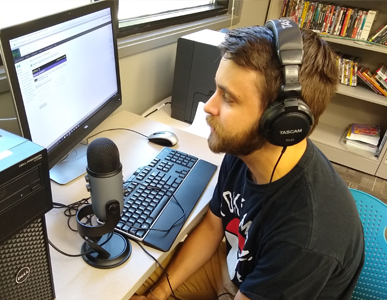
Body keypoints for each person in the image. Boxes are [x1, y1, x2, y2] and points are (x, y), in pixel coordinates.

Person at [131, 20, 364, 300]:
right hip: (230, 270)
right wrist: (157, 295)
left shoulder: (307, 235)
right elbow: (212, 226)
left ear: (281, 122)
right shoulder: (244, 152)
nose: (209, 106)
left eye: (228, 98)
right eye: (217, 89)